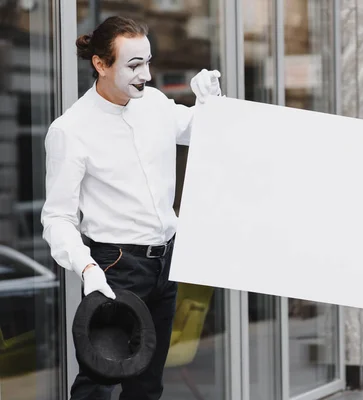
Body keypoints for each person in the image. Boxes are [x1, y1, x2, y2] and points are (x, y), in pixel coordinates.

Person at [41, 16, 221, 400]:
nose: (146, 74)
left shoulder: (155, 104)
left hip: (165, 263)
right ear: (101, 65)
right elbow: (56, 218)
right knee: (99, 383)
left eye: (148, 61)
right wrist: (87, 268)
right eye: (134, 65)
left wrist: (210, 101)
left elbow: (206, 132)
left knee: (147, 386)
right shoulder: (70, 130)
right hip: (115, 267)